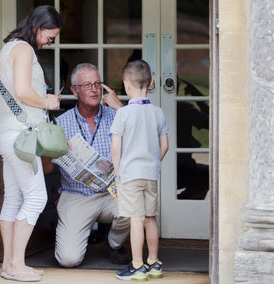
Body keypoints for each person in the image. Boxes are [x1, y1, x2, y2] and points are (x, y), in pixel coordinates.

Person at [0, 5, 62, 282]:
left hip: (7, 134)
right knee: (36, 197)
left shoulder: (8, 48)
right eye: (50, 36)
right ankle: (18, 264)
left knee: (13, 198)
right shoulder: (23, 49)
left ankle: (8, 264)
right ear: (38, 27)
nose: (50, 42)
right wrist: (47, 101)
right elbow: (22, 91)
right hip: (21, 136)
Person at [53, 63, 130, 267]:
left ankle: (114, 243)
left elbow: (142, 141)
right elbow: (46, 167)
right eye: (87, 85)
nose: (94, 89)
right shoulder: (61, 124)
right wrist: (55, 148)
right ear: (74, 90)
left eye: (97, 83)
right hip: (76, 194)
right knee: (69, 259)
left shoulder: (116, 115)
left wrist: (121, 108)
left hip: (111, 193)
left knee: (136, 202)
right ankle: (82, 231)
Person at [110, 59, 169, 281]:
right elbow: (164, 146)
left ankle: (137, 265)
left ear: (126, 85)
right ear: (151, 82)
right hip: (150, 174)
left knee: (136, 219)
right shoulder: (158, 112)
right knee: (150, 218)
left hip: (130, 174)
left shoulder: (123, 114)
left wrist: (118, 173)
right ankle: (154, 263)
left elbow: (116, 148)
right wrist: (153, 162)